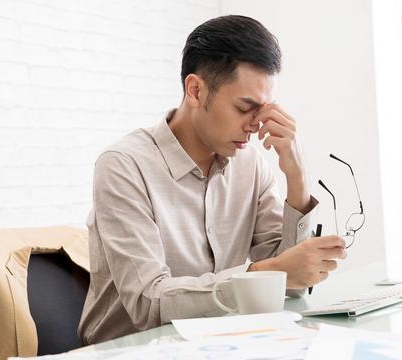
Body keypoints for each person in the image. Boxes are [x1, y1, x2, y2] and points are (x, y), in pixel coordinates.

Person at [78, 15, 347, 345]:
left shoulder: (250, 164)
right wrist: (262, 274)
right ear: (195, 90)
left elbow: (291, 285)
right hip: (130, 350)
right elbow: (148, 302)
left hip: (220, 344)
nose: (256, 124)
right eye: (244, 107)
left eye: (264, 109)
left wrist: (297, 177)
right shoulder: (123, 166)